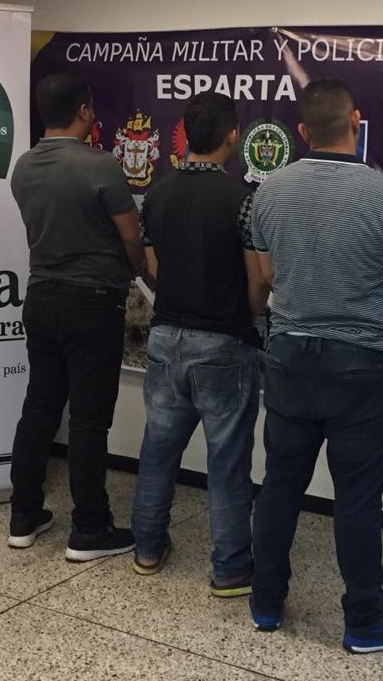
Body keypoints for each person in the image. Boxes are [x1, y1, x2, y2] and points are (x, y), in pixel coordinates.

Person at [249, 78, 383, 654]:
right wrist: (375, 325)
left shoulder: (269, 192)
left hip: (289, 357)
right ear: (356, 122)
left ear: (303, 131)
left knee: (280, 485)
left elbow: (266, 275)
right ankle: (366, 622)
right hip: (361, 366)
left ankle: (265, 603)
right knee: (357, 498)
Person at [130, 92, 270, 595]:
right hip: (224, 343)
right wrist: (242, 314)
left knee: (158, 450)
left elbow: (151, 263)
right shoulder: (243, 201)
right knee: (227, 462)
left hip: (166, 337)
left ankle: (147, 549)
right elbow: (261, 279)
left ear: (186, 135)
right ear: (232, 137)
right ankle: (230, 570)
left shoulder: (158, 194)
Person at [6, 73, 145, 561]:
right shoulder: (100, 166)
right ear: (84, 111)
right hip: (92, 302)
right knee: (89, 419)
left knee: (40, 407)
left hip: (41, 296)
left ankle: (24, 515)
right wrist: (134, 268)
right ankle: (89, 528)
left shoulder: (22, 167)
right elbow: (131, 237)